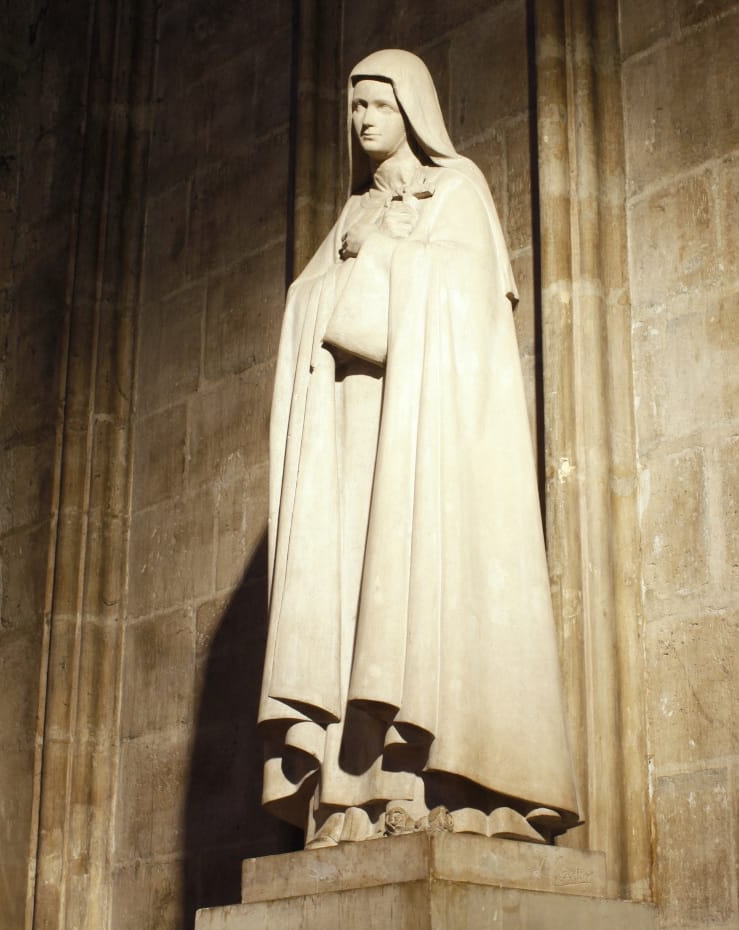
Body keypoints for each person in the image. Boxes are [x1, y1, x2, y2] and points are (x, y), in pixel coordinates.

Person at [258, 49, 580, 848]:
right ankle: (356, 798)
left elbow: (474, 308)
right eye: (354, 107)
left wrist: (393, 263)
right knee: (360, 602)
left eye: (376, 105)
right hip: (359, 441)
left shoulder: (457, 190)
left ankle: (449, 783)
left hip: (428, 441)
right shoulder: (352, 213)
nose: (363, 120)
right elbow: (307, 301)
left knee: (422, 596)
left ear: (411, 110)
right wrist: (347, 274)